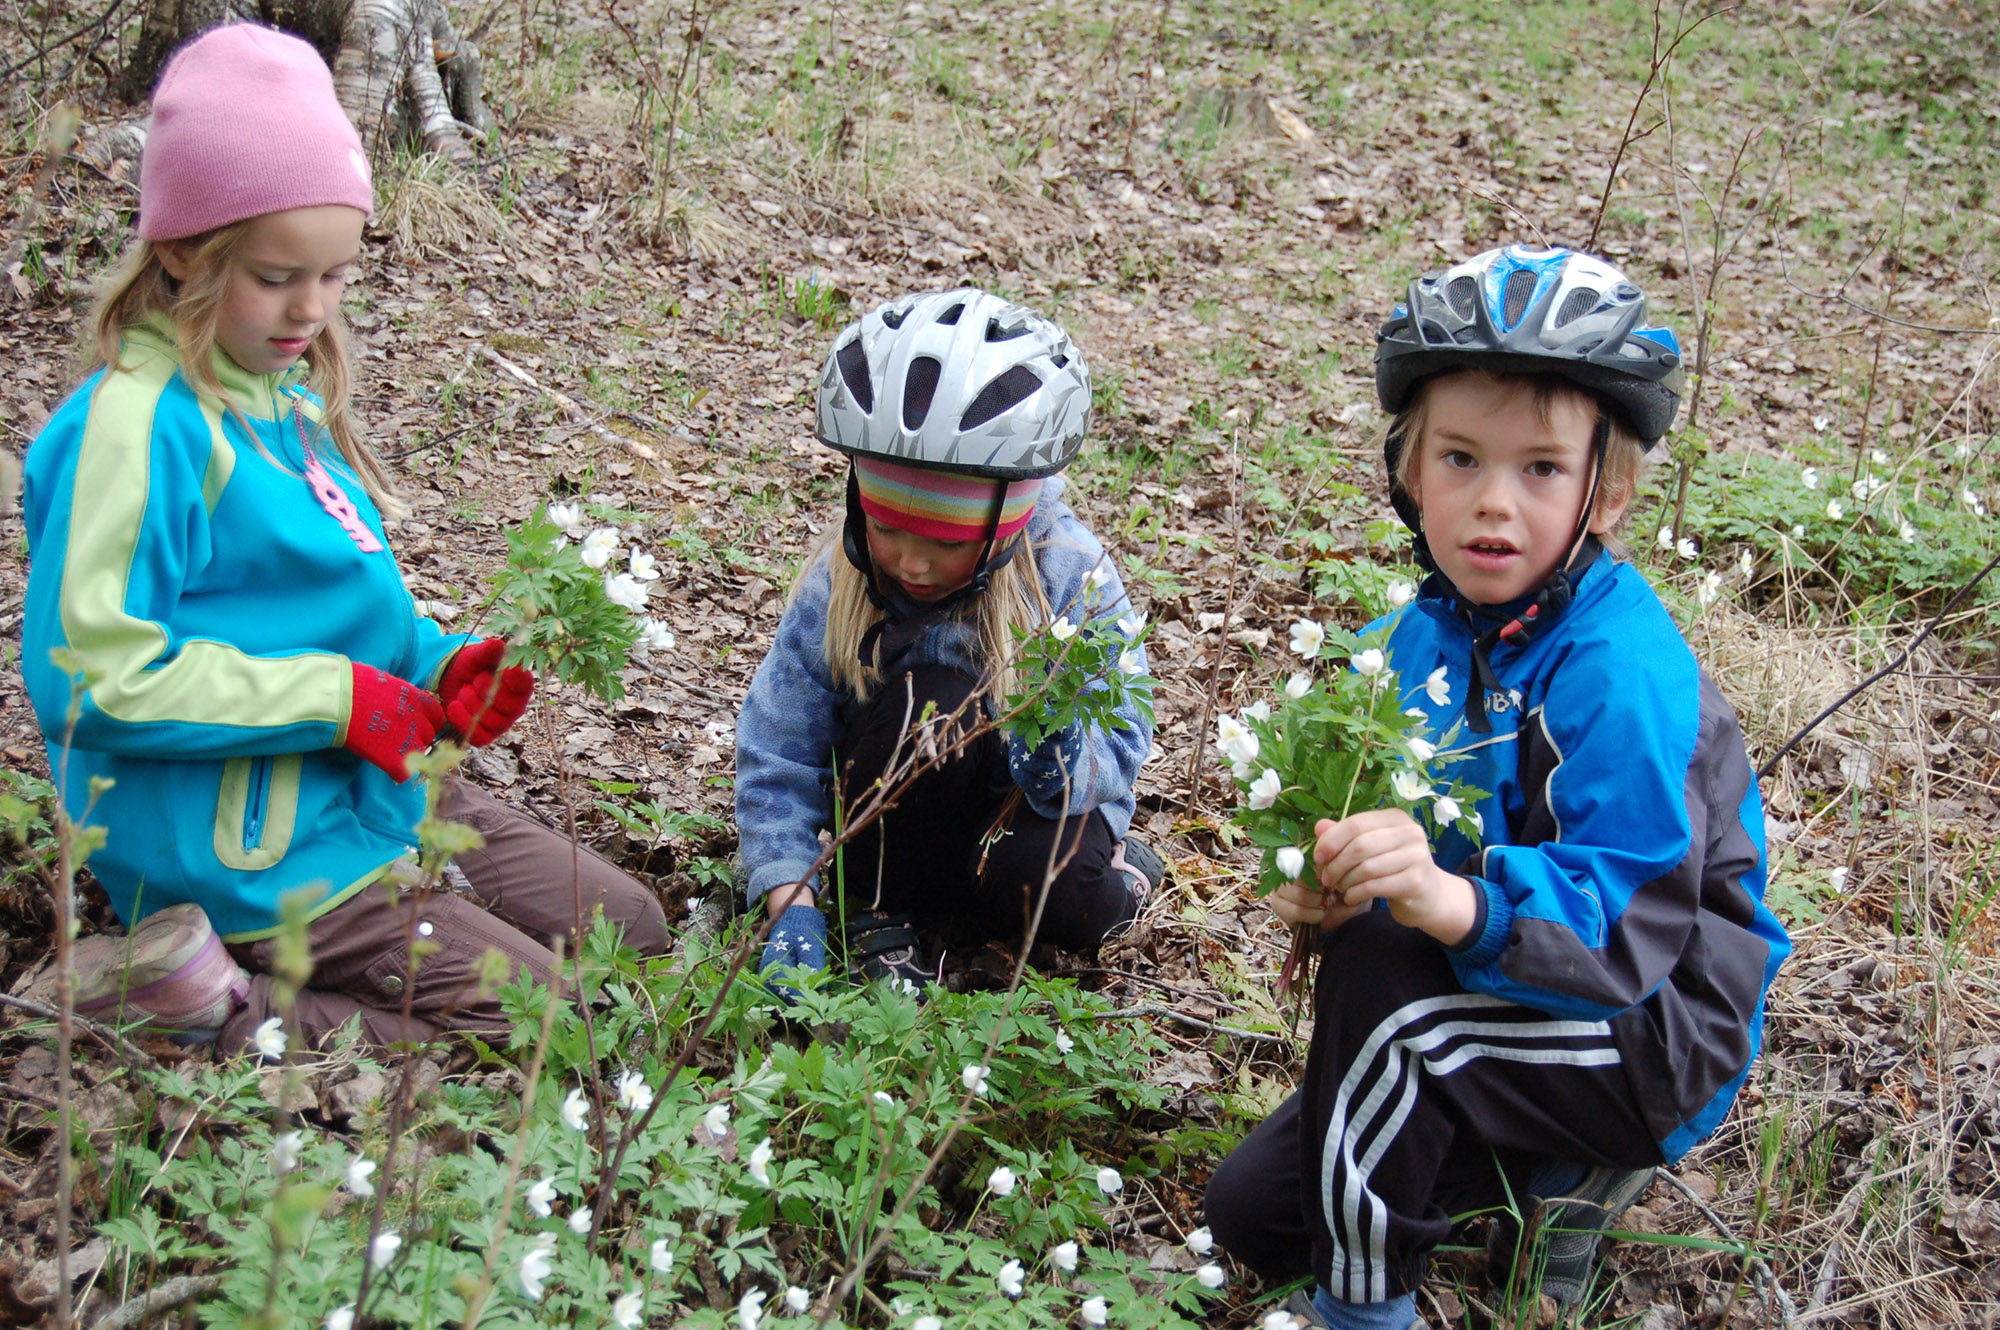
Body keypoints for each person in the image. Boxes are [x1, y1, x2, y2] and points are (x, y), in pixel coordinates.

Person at [21, 24, 668, 1055]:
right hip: (242, 849)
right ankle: (195, 1000)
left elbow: (326, 608)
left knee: (630, 932)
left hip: (360, 794)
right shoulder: (137, 430)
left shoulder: (276, 396)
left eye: (333, 275)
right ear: (185, 249)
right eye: (279, 275)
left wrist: (436, 664)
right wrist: (338, 699)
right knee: (554, 1024)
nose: (310, 309)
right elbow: (87, 677)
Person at [1203, 245, 1792, 1328]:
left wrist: (1445, 902)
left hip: (1645, 1024)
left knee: (1395, 1013)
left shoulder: (1617, 669)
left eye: (1539, 469)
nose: (1492, 503)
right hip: (1502, 988)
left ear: (1604, 491)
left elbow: (1626, 930)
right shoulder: (1413, 640)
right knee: (1251, 1214)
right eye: (1460, 458)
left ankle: (1371, 1303)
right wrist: (1333, 880)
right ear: (1406, 469)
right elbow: (1392, 840)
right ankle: (1535, 1171)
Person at [736, 288, 1161, 995]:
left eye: (944, 541)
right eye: (889, 529)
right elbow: (779, 745)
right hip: (892, 821)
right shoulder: (840, 581)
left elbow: (1126, 731)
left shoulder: (1068, 572)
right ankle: (874, 909)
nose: (911, 563)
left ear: (1006, 522)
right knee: (935, 697)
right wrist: (788, 895)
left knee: (1067, 900)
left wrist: (1062, 756)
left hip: (1015, 822)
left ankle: (1128, 875)